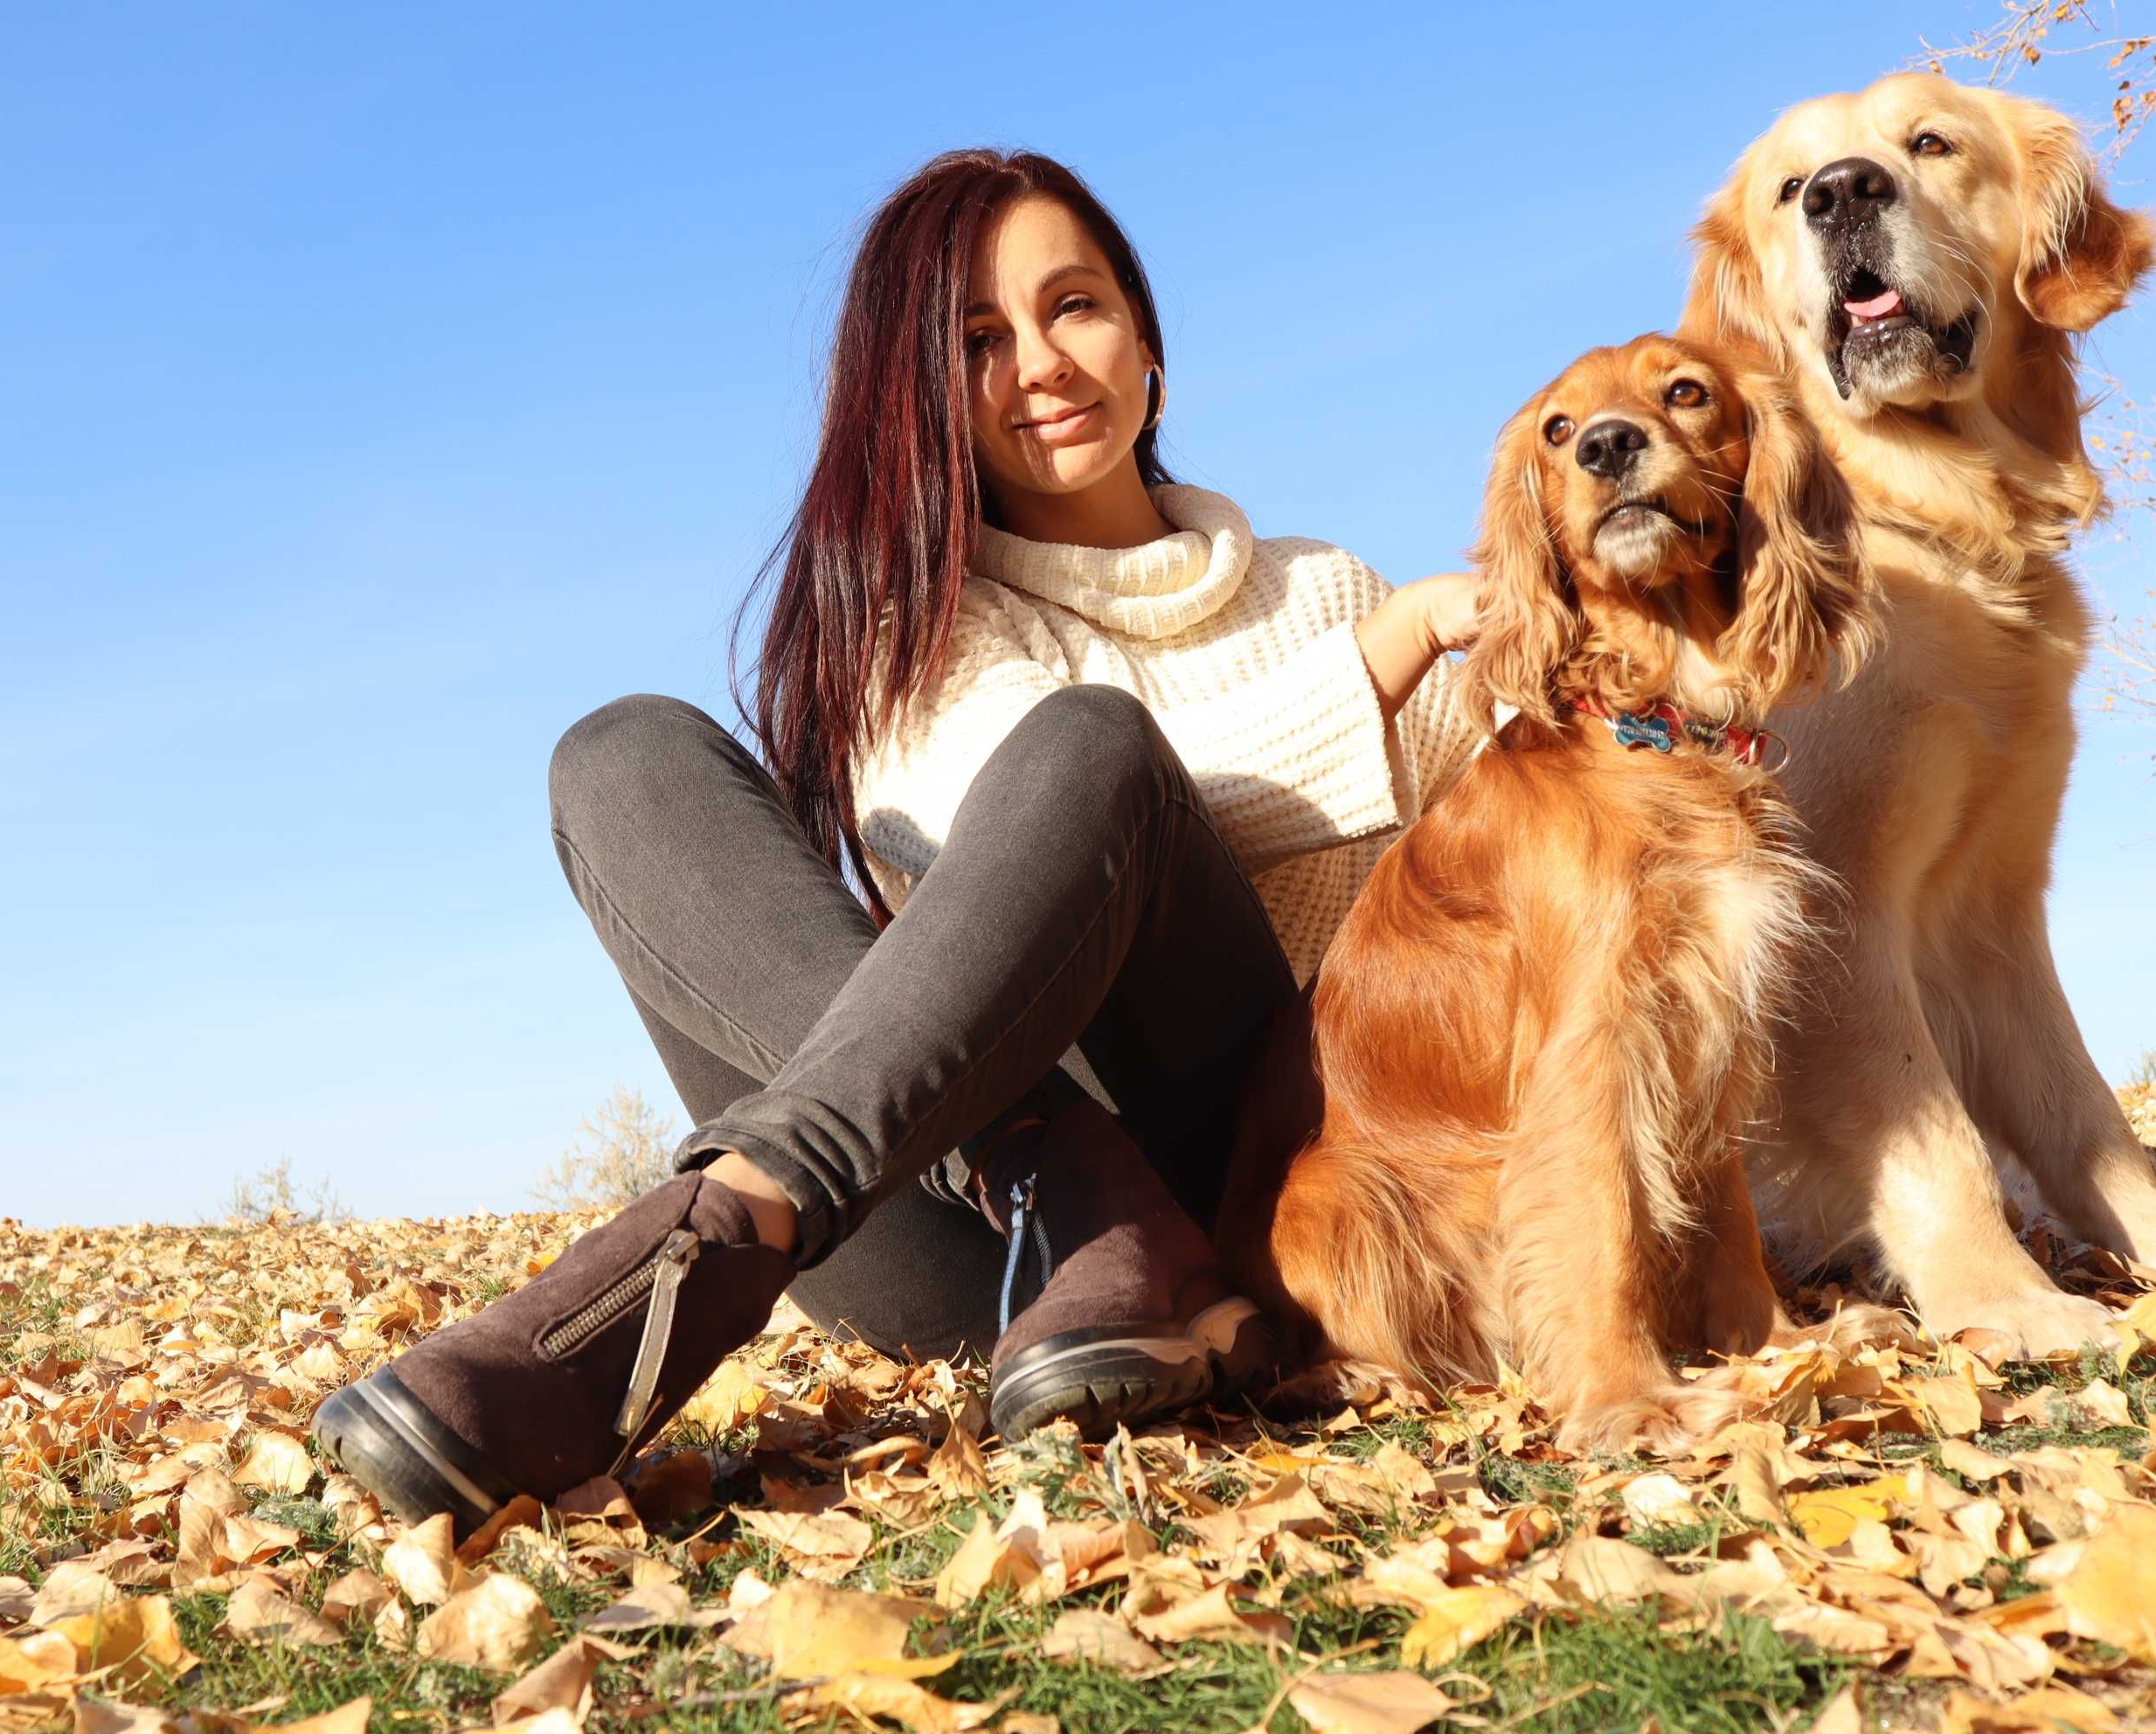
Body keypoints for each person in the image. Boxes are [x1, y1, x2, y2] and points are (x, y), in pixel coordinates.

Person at [314, 149, 1486, 1529]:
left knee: (1097, 747)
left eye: (1076, 306)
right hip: (958, 1246)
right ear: (923, 393)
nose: (1041, 361)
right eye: (979, 340)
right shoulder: (920, 638)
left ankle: (709, 1247)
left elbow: (1529, 845)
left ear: (1150, 346)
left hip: (1268, 1184)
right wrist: (1375, 669)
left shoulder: (1320, 589)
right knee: (620, 755)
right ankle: (1058, 1177)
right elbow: (1003, 831)